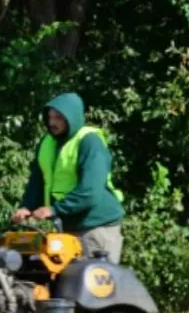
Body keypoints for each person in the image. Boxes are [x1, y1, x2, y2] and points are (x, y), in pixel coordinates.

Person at [11, 92, 125, 263]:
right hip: (68, 227)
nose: (51, 123)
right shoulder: (48, 142)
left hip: (96, 226)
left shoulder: (89, 142)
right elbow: (38, 181)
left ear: (71, 118)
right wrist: (26, 207)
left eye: (58, 118)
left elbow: (90, 191)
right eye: (50, 117)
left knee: (94, 285)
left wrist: (54, 210)